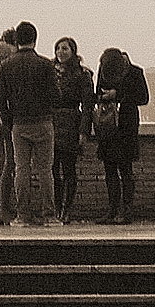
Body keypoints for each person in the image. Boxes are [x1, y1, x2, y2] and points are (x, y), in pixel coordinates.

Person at [0, 21, 60, 227]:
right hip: (43, 122)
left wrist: (9, 119)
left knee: (21, 169)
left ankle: (23, 215)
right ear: (35, 39)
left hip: (19, 124)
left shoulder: (6, 66)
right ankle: (49, 215)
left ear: (17, 41)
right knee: (45, 170)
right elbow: (55, 96)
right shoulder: (46, 64)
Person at [94, 48, 150, 225]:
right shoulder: (103, 70)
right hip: (108, 126)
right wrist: (104, 97)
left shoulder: (135, 72)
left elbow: (143, 98)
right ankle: (112, 210)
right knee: (110, 170)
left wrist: (118, 95)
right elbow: (97, 93)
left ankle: (127, 210)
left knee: (126, 170)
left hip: (126, 125)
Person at [52, 37, 94, 223]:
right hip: (51, 123)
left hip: (71, 124)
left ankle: (66, 208)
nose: (61, 52)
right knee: (53, 170)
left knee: (68, 170)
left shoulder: (82, 75)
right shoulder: (50, 71)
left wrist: (84, 132)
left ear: (73, 51)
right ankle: (56, 207)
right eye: (58, 49)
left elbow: (87, 106)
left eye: (65, 49)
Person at [0, 27, 19, 225]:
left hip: (6, 121)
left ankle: (5, 207)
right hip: (15, 121)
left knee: (10, 164)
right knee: (14, 164)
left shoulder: (3, 61)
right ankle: (7, 207)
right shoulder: (11, 62)